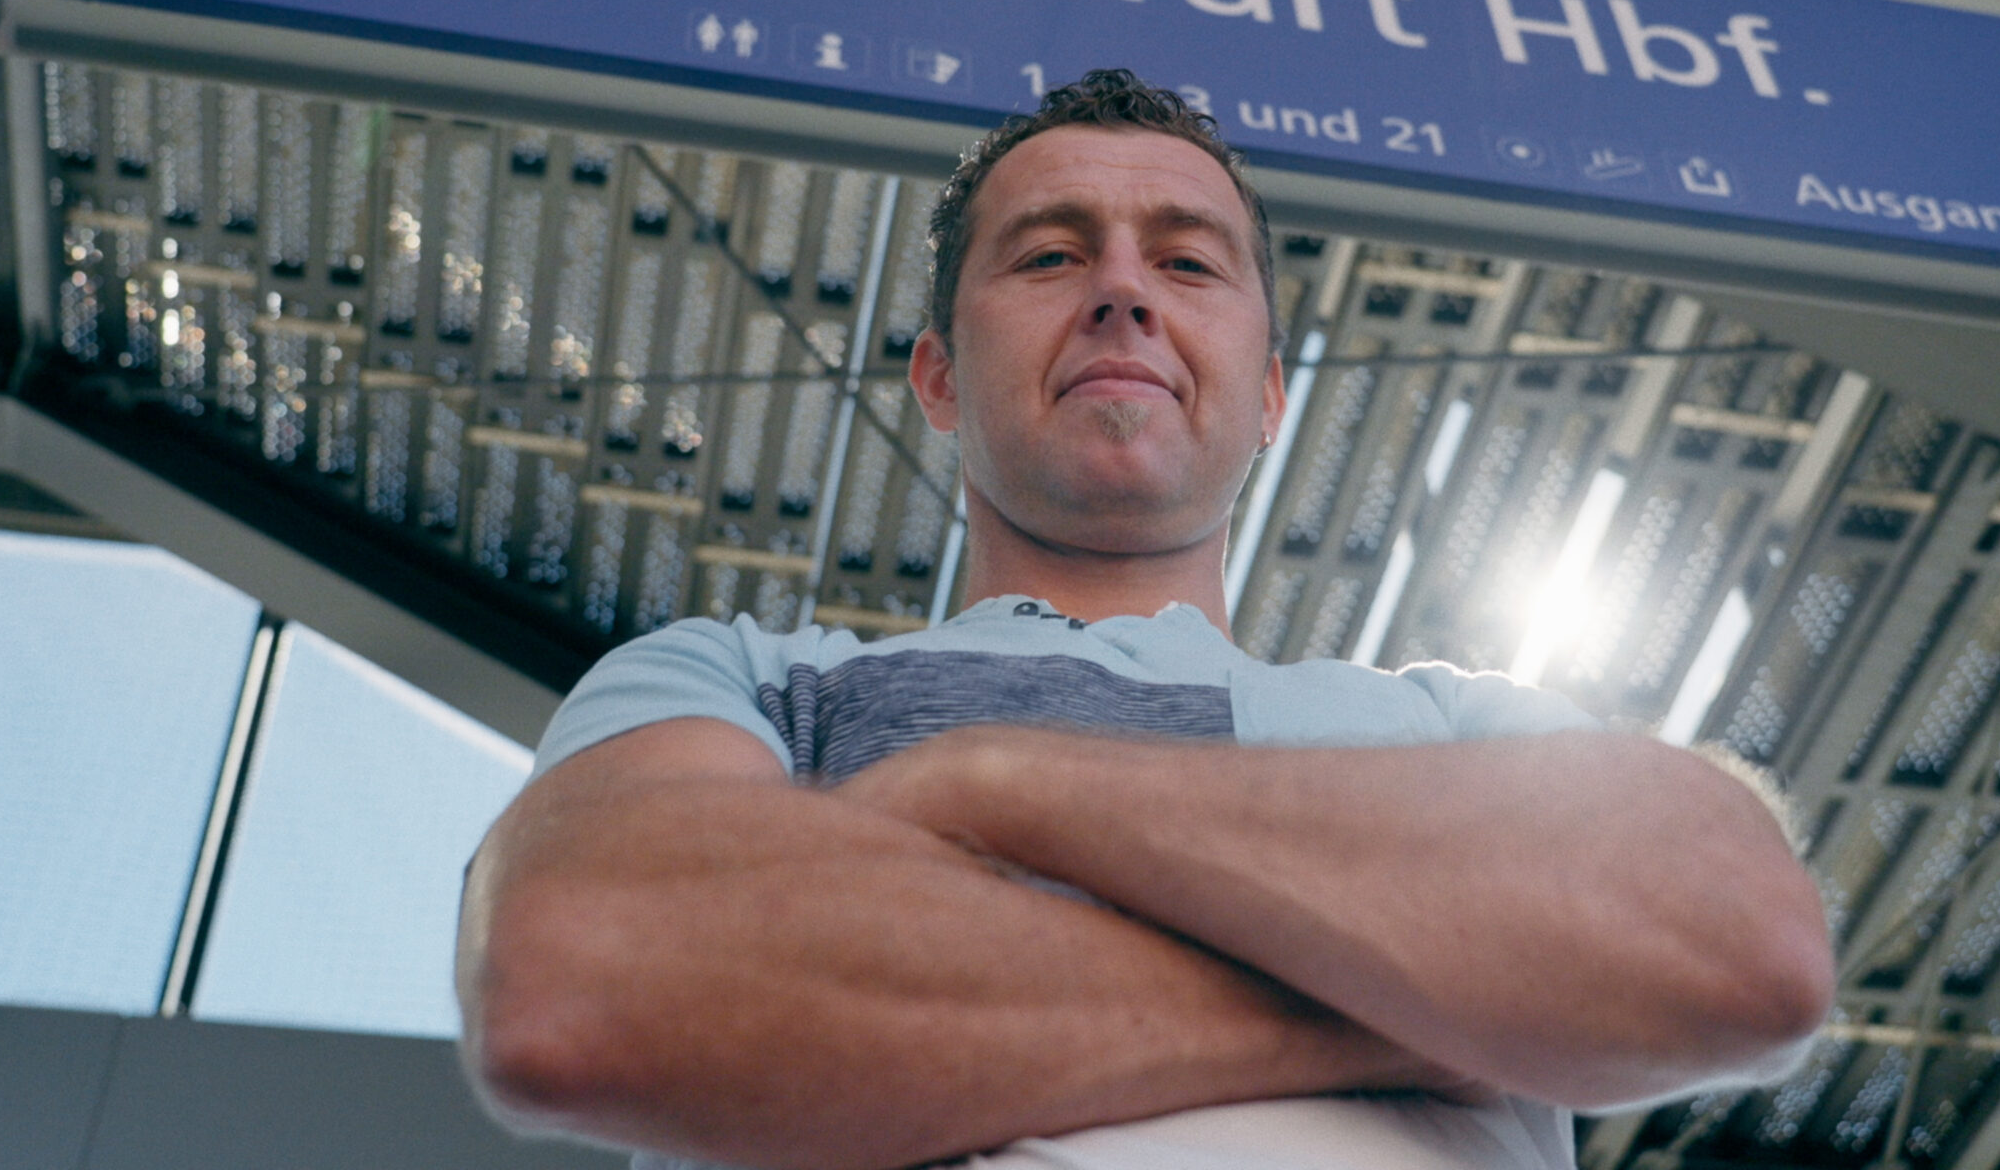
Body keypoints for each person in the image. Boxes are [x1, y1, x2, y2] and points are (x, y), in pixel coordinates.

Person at [455, 70, 1834, 1170]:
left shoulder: (1454, 716)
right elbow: (582, 978)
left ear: (1272, 392)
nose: (1122, 290)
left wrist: (989, 784)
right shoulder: (738, 681)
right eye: (1051, 255)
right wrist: (1424, 1008)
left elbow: (1740, 945)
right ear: (940, 377)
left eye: (1188, 264)